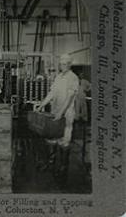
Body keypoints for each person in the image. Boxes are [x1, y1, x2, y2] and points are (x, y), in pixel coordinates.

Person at [35, 54, 79, 183]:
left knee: (64, 140)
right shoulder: (58, 77)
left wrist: (61, 112)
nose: (62, 66)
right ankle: (50, 163)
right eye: (61, 64)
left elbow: (70, 97)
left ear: (70, 64)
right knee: (51, 138)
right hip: (55, 111)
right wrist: (42, 104)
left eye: (65, 64)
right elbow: (52, 93)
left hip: (66, 113)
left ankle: (63, 168)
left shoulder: (73, 78)